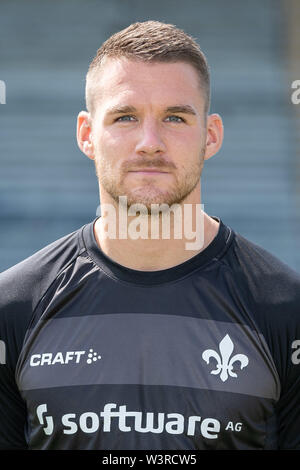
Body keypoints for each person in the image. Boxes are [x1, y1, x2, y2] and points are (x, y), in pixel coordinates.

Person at [0, 20, 300, 451]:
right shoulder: (15, 307)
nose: (149, 142)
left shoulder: (284, 309)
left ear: (211, 135)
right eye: (125, 117)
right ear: (87, 134)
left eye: (175, 117)